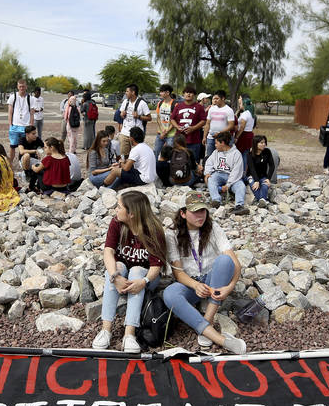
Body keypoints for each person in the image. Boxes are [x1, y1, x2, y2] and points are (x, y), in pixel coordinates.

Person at [163, 191, 247, 354]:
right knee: (169, 294)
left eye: (202, 211)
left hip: (213, 279)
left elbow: (234, 263)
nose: (200, 216)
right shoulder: (172, 234)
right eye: (194, 212)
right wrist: (195, 285)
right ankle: (217, 337)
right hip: (190, 282)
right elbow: (178, 273)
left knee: (225, 261)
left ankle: (207, 318)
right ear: (183, 213)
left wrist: (229, 287)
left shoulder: (213, 227)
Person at [93, 191, 167, 353]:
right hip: (123, 273)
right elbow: (108, 252)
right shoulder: (117, 223)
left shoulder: (153, 229)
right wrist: (115, 276)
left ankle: (130, 333)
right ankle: (106, 329)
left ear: (132, 213)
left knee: (136, 271)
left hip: (147, 277)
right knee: (116, 268)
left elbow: (156, 266)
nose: (115, 210)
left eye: (119, 207)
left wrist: (143, 282)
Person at [91, 127, 156, 189]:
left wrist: (121, 163)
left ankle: (104, 187)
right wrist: (123, 163)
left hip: (143, 179)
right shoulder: (146, 147)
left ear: (132, 138)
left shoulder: (136, 149)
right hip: (150, 177)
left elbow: (126, 168)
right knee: (121, 170)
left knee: (115, 171)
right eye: (104, 141)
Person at [201, 130, 248, 215]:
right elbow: (209, 163)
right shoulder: (216, 153)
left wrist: (228, 185)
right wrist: (207, 173)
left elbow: (236, 172)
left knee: (241, 186)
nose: (215, 145)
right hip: (218, 174)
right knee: (211, 179)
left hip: (232, 177)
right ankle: (216, 200)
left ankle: (239, 205)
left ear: (222, 143)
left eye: (216, 143)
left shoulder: (236, 154)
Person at [171, 84, 208, 166]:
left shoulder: (199, 107)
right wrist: (177, 127)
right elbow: (172, 119)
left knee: (194, 162)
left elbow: (204, 120)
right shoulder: (178, 106)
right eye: (186, 92)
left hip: (194, 140)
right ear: (183, 94)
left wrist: (193, 128)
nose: (188, 94)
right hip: (180, 140)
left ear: (194, 95)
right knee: (179, 162)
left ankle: (195, 178)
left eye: (191, 93)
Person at [118, 84, 151, 158]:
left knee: (138, 154)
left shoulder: (142, 103)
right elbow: (121, 114)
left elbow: (149, 118)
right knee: (124, 154)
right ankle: (126, 167)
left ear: (133, 92)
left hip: (137, 133)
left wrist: (138, 116)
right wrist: (122, 114)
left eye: (127, 91)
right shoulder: (125, 102)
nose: (125, 93)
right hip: (125, 132)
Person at [204, 90, 235, 161]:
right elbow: (208, 123)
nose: (215, 100)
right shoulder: (211, 109)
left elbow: (231, 125)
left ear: (223, 98)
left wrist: (220, 133)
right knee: (210, 157)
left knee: (223, 158)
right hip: (211, 138)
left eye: (217, 99)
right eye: (214, 99)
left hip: (223, 138)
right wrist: (204, 136)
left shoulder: (228, 110)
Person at [7, 79, 33, 162]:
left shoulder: (30, 98)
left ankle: (23, 165)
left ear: (26, 87)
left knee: (24, 147)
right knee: (12, 146)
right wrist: (10, 124)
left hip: (25, 127)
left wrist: (31, 126)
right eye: (20, 86)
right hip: (15, 126)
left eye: (23, 86)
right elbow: (10, 112)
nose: (22, 88)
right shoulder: (13, 97)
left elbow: (32, 114)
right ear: (17, 87)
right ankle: (10, 164)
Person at [246, 135, 274, 206]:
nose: (264, 144)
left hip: (263, 176)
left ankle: (261, 201)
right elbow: (251, 168)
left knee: (265, 186)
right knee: (254, 187)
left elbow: (272, 166)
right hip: (251, 175)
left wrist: (268, 178)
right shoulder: (250, 153)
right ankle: (264, 200)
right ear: (255, 143)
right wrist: (256, 181)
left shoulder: (267, 152)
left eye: (264, 142)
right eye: (261, 143)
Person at [16, 125, 45, 190]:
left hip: (34, 160)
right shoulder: (22, 139)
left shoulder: (37, 139)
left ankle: (38, 184)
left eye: (35, 133)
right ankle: (27, 174)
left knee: (45, 163)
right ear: (27, 134)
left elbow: (45, 148)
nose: (35, 135)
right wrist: (34, 151)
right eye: (33, 134)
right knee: (27, 155)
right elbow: (21, 151)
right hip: (23, 160)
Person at [154, 84, 176, 157]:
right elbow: (158, 118)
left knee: (170, 154)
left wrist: (166, 131)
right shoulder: (160, 103)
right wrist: (162, 130)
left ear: (167, 93)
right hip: (160, 133)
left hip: (171, 135)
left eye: (162, 92)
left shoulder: (175, 104)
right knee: (155, 153)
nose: (160, 93)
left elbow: (175, 121)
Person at [234, 99, 255, 170]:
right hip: (250, 134)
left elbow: (242, 127)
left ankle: (242, 172)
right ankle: (244, 172)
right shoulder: (251, 113)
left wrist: (237, 137)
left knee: (241, 155)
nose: (240, 105)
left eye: (241, 104)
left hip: (243, 135)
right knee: (245, 154)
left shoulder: (245, 114)